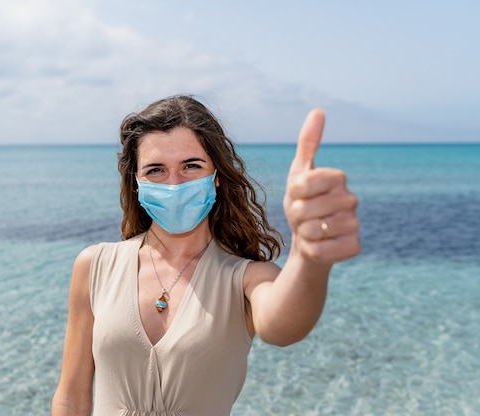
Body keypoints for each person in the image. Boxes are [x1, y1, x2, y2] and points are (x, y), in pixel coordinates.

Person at [51, 95, 360, 415]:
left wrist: (309, 256)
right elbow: (71, 397)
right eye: (156, 170)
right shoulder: (95, 266)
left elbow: (283, 328)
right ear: (137, 184)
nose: (174, 184)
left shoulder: (248, 278)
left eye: (191, 166)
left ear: (216, 177)